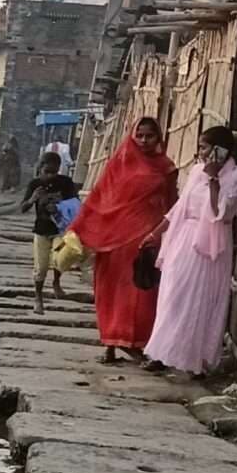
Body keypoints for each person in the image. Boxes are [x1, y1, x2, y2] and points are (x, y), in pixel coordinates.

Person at [69, 116, 177, 363]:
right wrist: (83, 228)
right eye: (139, 135)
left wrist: (168, 235)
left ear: (158, 138)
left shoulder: (166, 168)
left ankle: (138, 343)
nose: (144, 140)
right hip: (115, 241)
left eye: (150, 136)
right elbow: (100, 198)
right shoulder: (119, 163)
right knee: (110, 290)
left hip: (147, 240)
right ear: (132, 136)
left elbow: (173, 204)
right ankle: (110, 343)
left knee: (143, 292)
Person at [146, 126, 237, 376]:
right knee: (172, 297)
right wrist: (155, 232)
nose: (201, 153)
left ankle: (197, 360)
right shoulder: (195, 172)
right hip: (183, 239)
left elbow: (222, 214)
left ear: (219, 150)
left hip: (209, 246)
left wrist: (214, 180)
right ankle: (161, 352)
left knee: (200, 300)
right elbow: (179, 207)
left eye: (205, 147)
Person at [15, 152, 80, 312]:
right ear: (40, 168)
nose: (50, 175)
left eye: (54, 172)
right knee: (41, 266)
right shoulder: (35, 184)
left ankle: (56, 282)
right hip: (42, 230)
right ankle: (38, 297)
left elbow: (75, 204)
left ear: (59, 169)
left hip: (60, 229)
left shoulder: (65, 183)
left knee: (60, 258)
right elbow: (23, 208)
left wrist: (60, 206)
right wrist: (32, 199)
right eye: (47, 172)